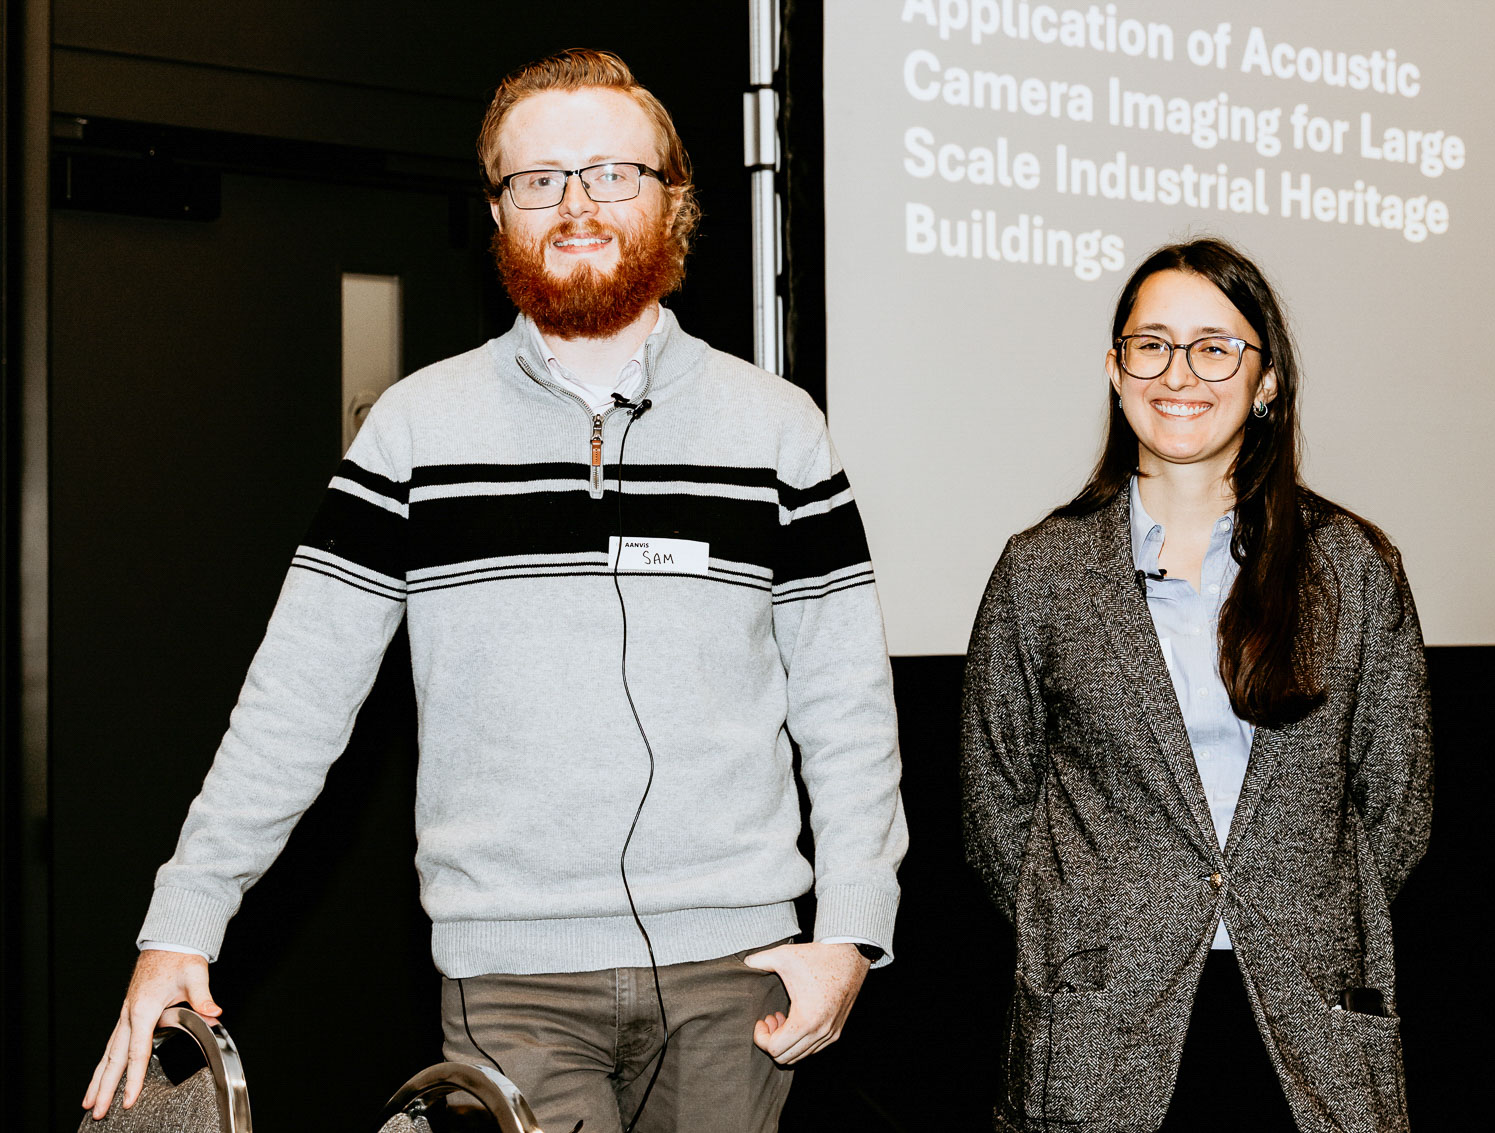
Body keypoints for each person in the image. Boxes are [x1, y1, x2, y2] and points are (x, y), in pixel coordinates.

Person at [83, 48, 906, 1133]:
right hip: (513, 983)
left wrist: (851, 929)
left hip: (739, 974)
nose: (576, 205)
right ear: (497, 212)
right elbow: (295, 695)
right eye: (538, 179)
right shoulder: (415, 430)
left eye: (612, 173)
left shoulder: (779, 429)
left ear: (674, 199)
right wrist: (181, 918)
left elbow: (847, 704)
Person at [960, 238, 1432, 1133]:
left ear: (1267, 379)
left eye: (1215, 347)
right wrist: (1096, 917)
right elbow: (996, 807)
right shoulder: (1041, 572)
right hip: (1102, 1028)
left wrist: (1296, 898)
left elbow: (1396, 806)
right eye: (1153, 345)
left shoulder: (1354, 568)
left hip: (1310, 1023)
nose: (1180, 373)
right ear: (1115, 370)